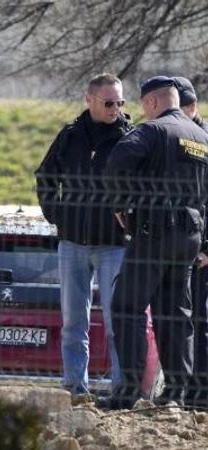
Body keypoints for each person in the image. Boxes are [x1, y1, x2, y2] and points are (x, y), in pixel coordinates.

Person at [101, 76, 208, 408]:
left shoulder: (152, 131)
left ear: (151, 103)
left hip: (154, 231)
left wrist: (121, 205)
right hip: (190, 235)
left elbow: (116, 164)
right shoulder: (201, 137)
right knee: (176, 312)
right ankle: (178, 392)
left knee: (128, 307)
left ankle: (129, 391)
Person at [35, 73, 134, 401]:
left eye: (120, 102)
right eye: (109, 102)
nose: (115, 108)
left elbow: (144, 185)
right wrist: (57, 214)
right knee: (73, 323)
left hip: (113, 246)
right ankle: (75, 389)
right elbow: (45, 176)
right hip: (73, 243)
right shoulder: (70, 135)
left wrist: (129, 221)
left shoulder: (130, 137)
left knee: (116, 320)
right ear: (89, 100)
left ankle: (122, 391)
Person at [177, 76, 208, 406]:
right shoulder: (175, 139)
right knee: (181, 322)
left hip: (201, 252)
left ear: (192, 107)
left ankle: (201, 394)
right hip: (181, 248)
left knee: (201, 322)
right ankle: (185, 392)